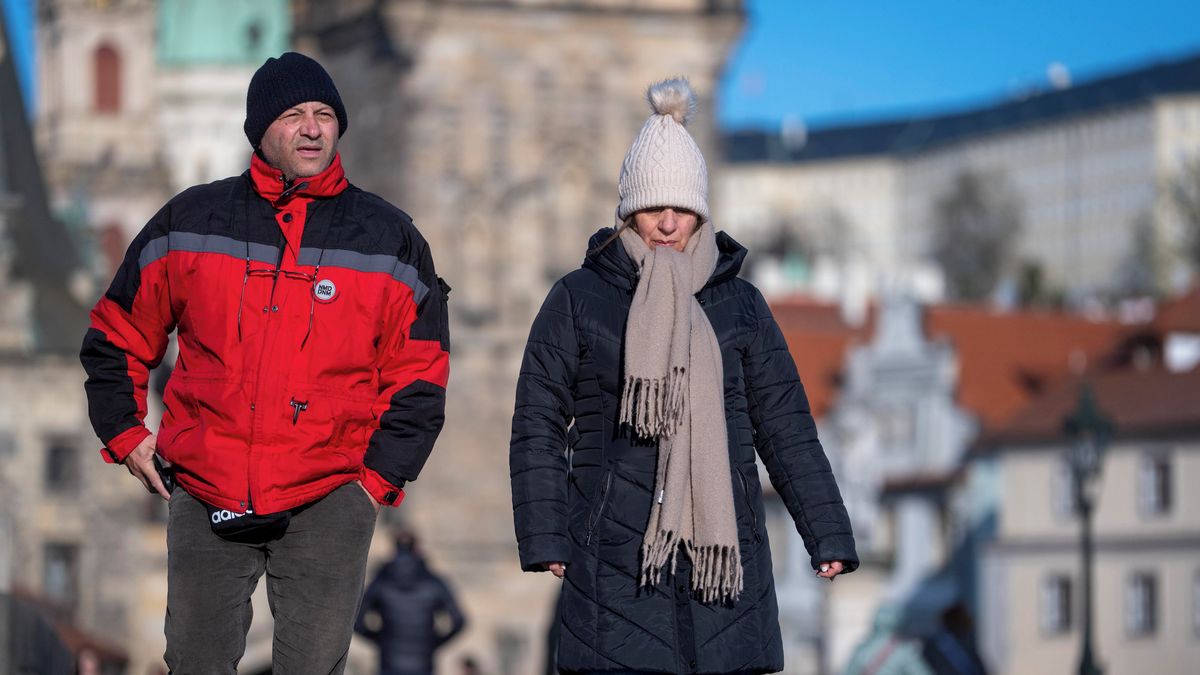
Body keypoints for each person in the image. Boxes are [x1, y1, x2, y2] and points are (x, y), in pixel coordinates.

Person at [80, 52, 450, 673]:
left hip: (330, 495)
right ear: (260, 131)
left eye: (325, 114)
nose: (313, 128)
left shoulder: (390, 239)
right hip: (205, 489)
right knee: (194, 664)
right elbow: (117, 329)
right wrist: (124, 431)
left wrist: (375, 484)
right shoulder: (191, 221)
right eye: (295, 115)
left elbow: (422, 372)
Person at [508, 78, 858, 674]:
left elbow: (785, 426)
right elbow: (538, 422)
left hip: (724, 567)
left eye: (683, 209)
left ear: (701, 212)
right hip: (616, 565)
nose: (668, 224)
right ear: (628, 210)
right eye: (653, 208)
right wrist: (547, 532)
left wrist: (826, 531)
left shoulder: (741, 305)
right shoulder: (578, 299)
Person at [355, 531, 467, 675]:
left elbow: (357, 621)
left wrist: (381, 641)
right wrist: (433, 643)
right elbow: (459, 621)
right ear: (417, 549)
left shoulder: (381, 582)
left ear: (394, 548)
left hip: (389, 664)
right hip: (423, 665)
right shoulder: (434, 582)